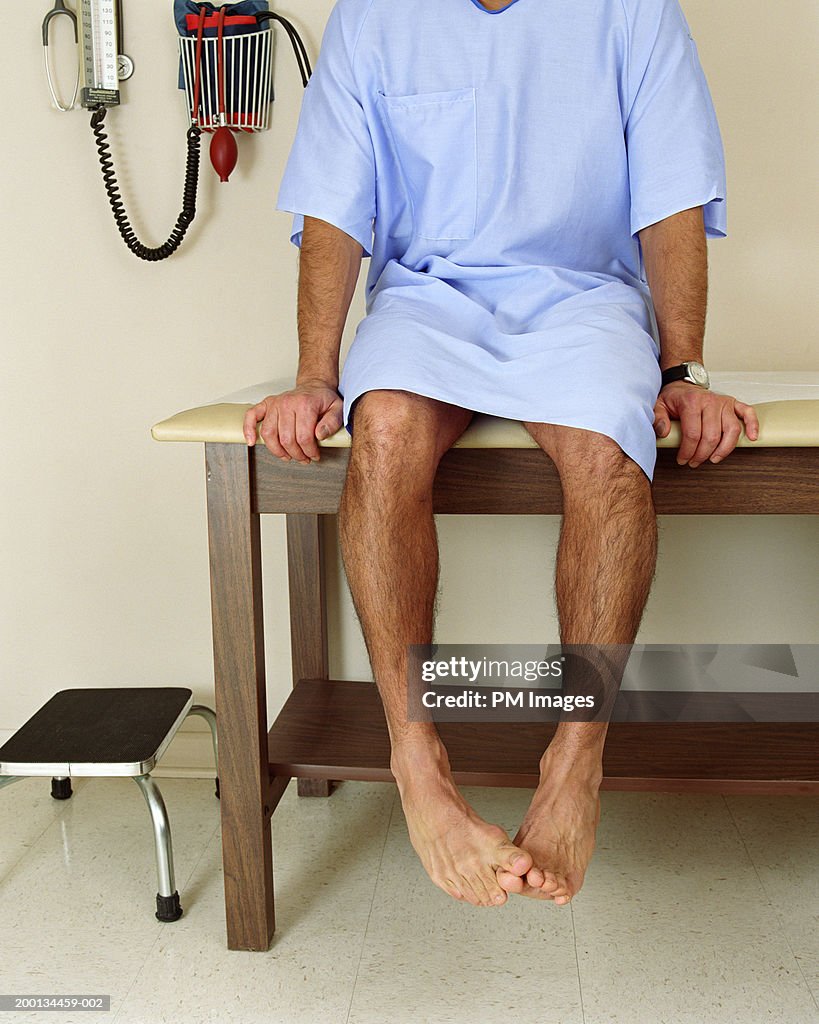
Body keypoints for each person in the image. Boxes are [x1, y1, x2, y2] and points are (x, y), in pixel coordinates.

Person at [244, 0, 760, 908]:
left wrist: (683, 369)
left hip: (583, 299)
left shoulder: (632, 12)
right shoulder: (372, 17)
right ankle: (415, 754)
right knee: (387, 429)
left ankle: (576, 752)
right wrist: (314, 376)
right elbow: (335, 203)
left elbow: (670, 193)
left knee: (609, 445)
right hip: (427, 299)